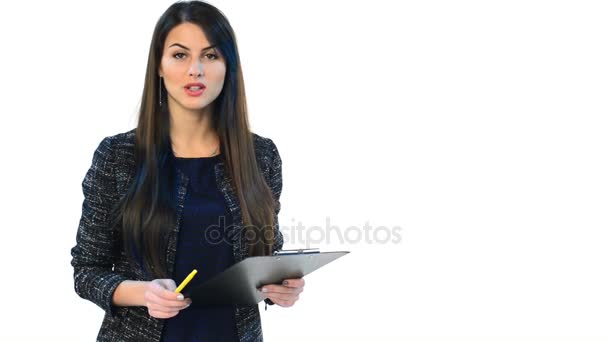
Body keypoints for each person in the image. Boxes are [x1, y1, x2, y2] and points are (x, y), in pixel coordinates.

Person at [70, 1, 304, 341]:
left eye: (210, 56)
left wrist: (281, 285)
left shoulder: (261, 155)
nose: (196, 70)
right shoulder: (118, 156)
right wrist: (143, 293)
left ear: (228, 67)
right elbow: (86, 272)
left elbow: (265, 253)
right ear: (160, 66)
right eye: (180, 55)